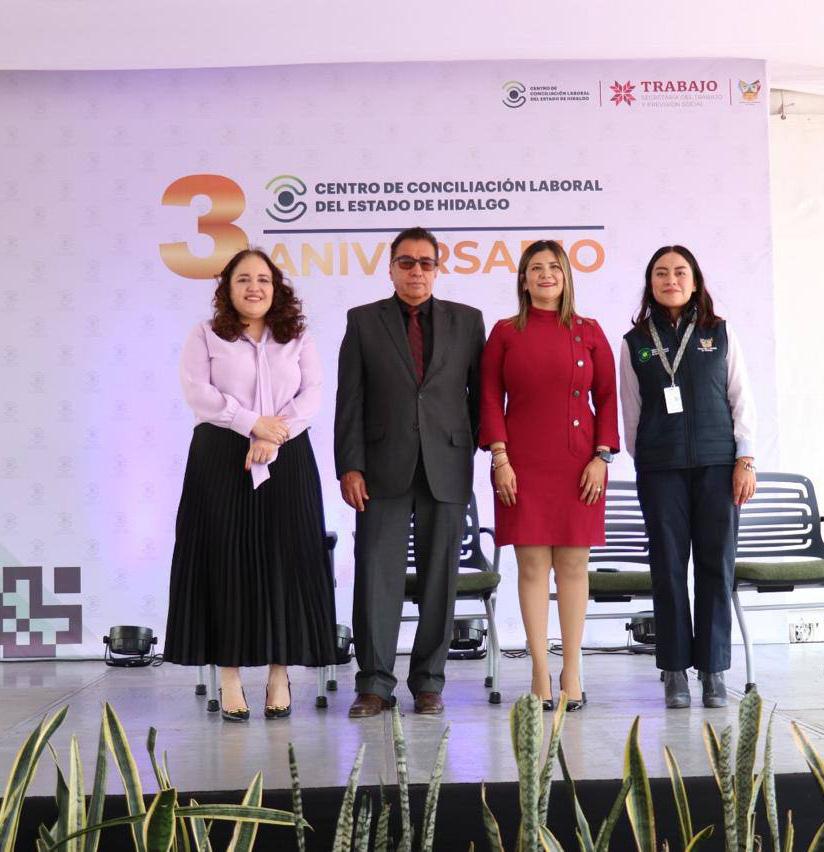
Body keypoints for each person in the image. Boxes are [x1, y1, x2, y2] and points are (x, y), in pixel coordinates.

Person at [164, 248, 337, 721]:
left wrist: (272, 434)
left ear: (276, 287)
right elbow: (199, 392)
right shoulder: (205, 334)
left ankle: (280, 674)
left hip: (288, 456)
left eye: (263, 279)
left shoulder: (297, 337)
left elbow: (312, 394)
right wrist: (251, 424)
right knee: (225, 561)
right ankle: (229, 675)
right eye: (243, 279)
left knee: (287, 560)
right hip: (221, 457)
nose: (254, 287)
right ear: (228, 288)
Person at [334, 227, 485, 717]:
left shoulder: (468, 321)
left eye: (425, 263)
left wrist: (464, 445)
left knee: (440, 579)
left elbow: (479, 397)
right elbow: (349, 400)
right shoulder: (363, 321)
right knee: (376, 577)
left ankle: (428, 683)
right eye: (406, 262)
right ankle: (374, 684)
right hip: (381, 469)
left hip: (447, 464)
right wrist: (350, 465)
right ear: (391, 268)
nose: (416, 271)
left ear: (438, 269)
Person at [479, 240, 619, 712]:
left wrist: (602, 457)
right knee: (533, 566)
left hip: (580, 464)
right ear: (523, 279)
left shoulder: (589, 331)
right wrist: (500, 459)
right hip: (520, 464)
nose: (545, 274)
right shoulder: (504, 332)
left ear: (566, 277)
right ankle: (539, 669)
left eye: (554, 267)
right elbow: (489, 398)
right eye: (536, 268)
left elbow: (608, 399)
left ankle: (571, 669)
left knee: (575, 565)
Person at [620, 245, 756, 709]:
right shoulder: (635, 341)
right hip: (661, 471)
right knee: (668, 569)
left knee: (716, 566)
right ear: (651, 283)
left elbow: (741, 399)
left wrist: (745, 459)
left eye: (680, 272)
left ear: (695, 281)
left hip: (719, 466)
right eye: (661, 273)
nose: (671, 280)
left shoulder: (720, 332)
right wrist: (647, 459)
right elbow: (632, 413)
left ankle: (713, 670)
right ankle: (674, 669)